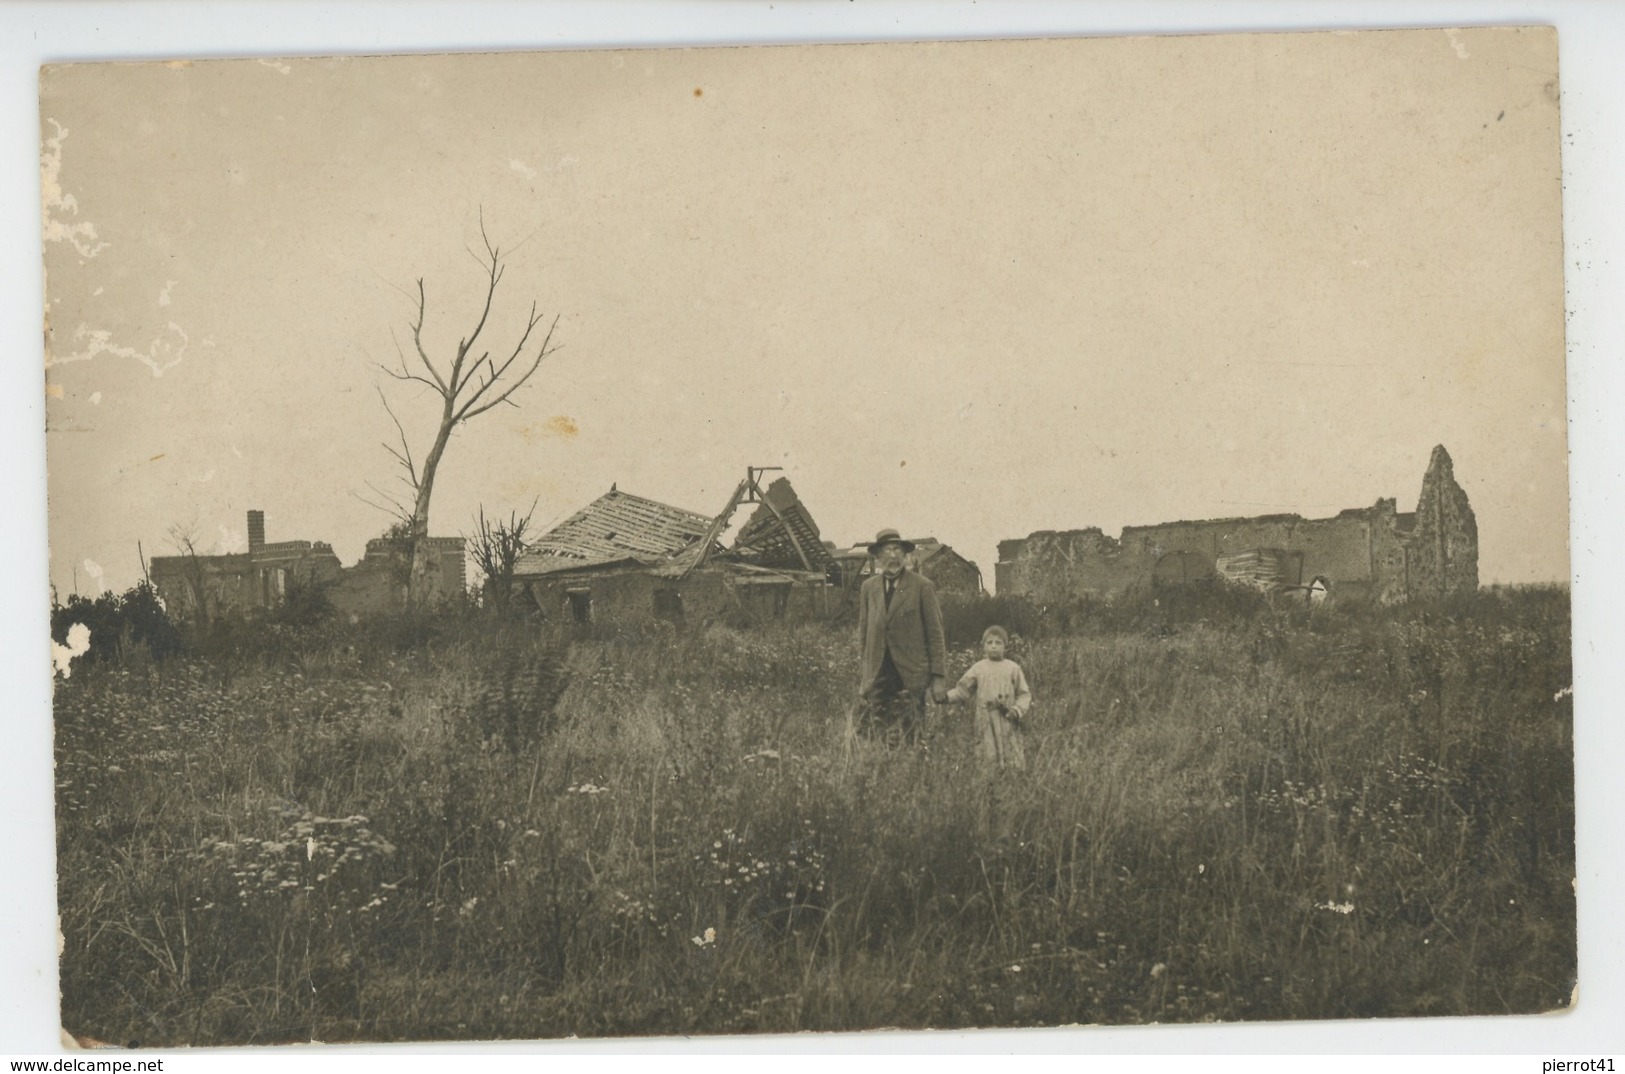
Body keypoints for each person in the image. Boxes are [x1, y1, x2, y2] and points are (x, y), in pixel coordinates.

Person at [856, 528, 948, 745]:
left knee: (912, 736)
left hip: (911, 675)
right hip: (878, 675)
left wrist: (938, 677)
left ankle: (913, 775)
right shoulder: (868, 588)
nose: (893, 556)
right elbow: (864, 634)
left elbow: (936, 634)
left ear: (905, 555)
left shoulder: (922, 586)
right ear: (878, 556)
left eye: (898, 550)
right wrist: (865, 675)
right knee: (877, 735)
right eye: (888, 550)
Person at [945, 624, 1032, 769]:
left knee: (1010, 751)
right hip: (985, 718)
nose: (993, 646)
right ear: (983, 646)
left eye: (998, 643)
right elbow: (962, 690)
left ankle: (1011, 779)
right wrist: (946, 697)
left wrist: (1016, 710)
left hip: (1007, 718)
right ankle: (989, 784)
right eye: (989, 642)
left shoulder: (1013, 668)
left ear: (1006, 646)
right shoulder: (978, 668)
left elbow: (1024, 694)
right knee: (987, 753)